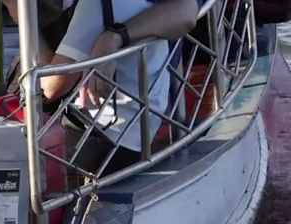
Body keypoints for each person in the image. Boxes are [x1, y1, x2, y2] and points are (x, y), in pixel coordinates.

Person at [39, 0, 197, 175]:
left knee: (24, 138)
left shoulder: (96, 6)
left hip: (103, 136)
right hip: (142, 128)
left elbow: (51, 88)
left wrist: (30, 36)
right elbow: (188, 12)